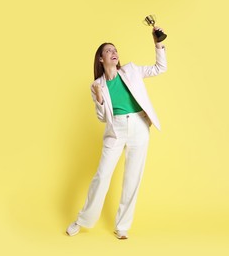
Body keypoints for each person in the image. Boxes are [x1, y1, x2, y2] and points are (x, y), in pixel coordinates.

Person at [66, 27, 167, 239]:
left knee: (132, 178)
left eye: (115, 49)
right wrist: (100, 98)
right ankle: (82, 220)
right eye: (108, 50)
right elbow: (102, 117)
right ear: (101, 59)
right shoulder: (97, 85)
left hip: (139, 125)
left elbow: (160, 68)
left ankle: (122, 226)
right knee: (101, 176)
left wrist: (158, 44)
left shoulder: (131, 70)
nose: (114, 52)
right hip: (116, 130)